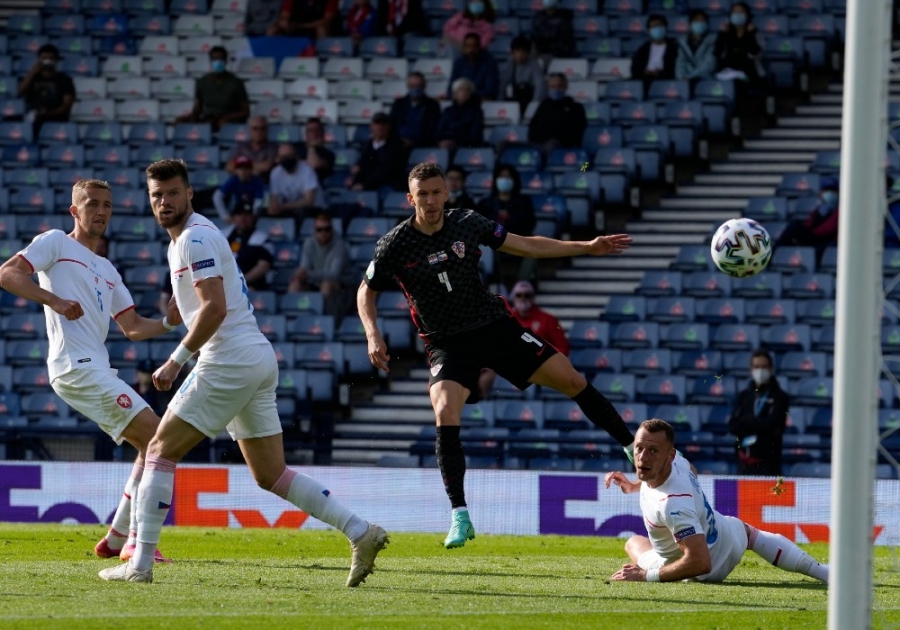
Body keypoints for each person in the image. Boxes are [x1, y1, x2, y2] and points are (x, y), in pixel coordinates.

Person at [98, 159, 388, 585]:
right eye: (156, 195)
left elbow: (214, 308)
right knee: (270, 473)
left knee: (159, 449)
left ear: (190, 193)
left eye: (172, 193)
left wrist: (175, 360)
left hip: (228, 358)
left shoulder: (194, 238)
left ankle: (139, 566)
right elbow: (211, 302)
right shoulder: (193, 237)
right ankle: (361, 532)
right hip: (254, 356)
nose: (164, 202)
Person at [357, 162, 636, 549]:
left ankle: (630, 448)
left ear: (446, 194)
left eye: (437, 192)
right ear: (411, 198)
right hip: (446, 343)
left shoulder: (468, 223)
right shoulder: (395, 244)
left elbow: (526, 244)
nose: (431, 200)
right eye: (423, 194)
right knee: (443, 407)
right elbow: (365, 290)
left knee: (571, 379)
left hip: (494, 327)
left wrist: (586, 247)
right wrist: (373, 334)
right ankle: (460, 516)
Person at [0, 179, 177, 564]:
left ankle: (116, 537)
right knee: (157, 434)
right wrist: (55, 301)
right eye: (92, 204)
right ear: (75, 211)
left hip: (97, 368)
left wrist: (168, 322)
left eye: (107, 206)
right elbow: (8, 273)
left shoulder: (107, 268)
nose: (101, 212)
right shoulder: (55, 243)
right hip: (74, 367)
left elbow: (132, 327)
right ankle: (134, 541)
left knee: (152, 443)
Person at [604, 419, 828, 584]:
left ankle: (665, 569)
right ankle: (823, 572)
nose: (642, 457)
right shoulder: (679, 462)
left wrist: (645, 576)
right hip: (727, 536)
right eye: (639, 448)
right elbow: (691, 470)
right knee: (748, 532)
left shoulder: (672, 504)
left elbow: (700, 562)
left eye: (653, 451)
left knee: (634, 544)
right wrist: (635, 485)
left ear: (669, 455)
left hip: (701, 571)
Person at [478, 280, 570, 399]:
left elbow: (563, 348)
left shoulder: (548, 320)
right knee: (483, 375)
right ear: (513, 298)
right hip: (510, 362)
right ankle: (483, 410)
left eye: (527, 295)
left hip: (539, 362)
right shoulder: (505, 319)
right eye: (519, 295)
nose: (523, 298)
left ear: (533, 298)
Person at [727, 349, 789, 476]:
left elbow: (773, 425)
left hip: (769, 466)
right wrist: (758, 424)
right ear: (751, 369)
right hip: (744, 464)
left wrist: (747, 421)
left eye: (764, 367)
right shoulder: (743, 396)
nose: (760, 371)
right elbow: (733, 426)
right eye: (756, 367)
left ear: (771, 369)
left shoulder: (780, 397)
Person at [288, 212, 354, 316]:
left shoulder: (339, 245)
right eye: (319, 229)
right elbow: (304, 267)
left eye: (326, 229)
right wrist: (301, 274)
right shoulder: (309, 243)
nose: (323, 232)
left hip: (340, 286)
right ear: (315, 231)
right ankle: (293, 317)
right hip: (315, 282)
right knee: (295, 283)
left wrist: (308, 274)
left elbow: (334, 274)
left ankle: (321, 318)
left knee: (326, 285)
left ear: (331, 229)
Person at [176, 46, 249, 132]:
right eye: (214, 59)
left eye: (220, 59)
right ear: (210, 61)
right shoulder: (202, 82)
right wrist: (187, 119)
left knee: (222, 124)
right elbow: (197, 109)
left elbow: (245, 111)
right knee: (179, 122)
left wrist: (226, 118)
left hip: (228, 119)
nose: (217, 62)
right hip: (208, 118)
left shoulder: (236, 83)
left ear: (225, 61)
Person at [774, 176, 839, 263]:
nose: (829, 193)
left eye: (833, 190)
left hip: (825, 242)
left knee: (796, 226)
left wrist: (810, 232)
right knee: (795, 226)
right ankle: (775, 253)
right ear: (821, 193)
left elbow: (829, 229)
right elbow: (808, 224)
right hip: (813, 239)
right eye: (826, 190)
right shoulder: (818, 210)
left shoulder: (839, 212)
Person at [17, 44, 75, 135]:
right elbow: (20, 91)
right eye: (44, 58)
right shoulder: (33, 77)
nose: (48, 61)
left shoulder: (65, 79)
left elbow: (67, 105)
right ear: (39, 60)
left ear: (56, 60)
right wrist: (32, 72)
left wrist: (49, 113)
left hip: (54, 117)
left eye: (51, 58)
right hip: (33, 115)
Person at [527, 73, 587, 153]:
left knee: (549, 146)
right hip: (538, 144)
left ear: (566, 87)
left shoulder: (575, 107)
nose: (556, 89)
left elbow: (578, 132)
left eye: (559, 86)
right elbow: (533, 127)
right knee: (506, 145)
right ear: (548, 88)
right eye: (552, 87)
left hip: (562, 146)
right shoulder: (543, 106)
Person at [350, 113, 407, 193]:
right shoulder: (367, 145)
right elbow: (362, 164)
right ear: (371, 126)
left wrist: (364, 185)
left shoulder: (395, 147)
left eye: (383, 124)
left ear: (388, 127)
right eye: (377, 124)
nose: (380, 127)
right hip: (368, 184)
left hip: (387, 185)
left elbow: (385, 170)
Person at [222, 204, 274, 291]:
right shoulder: (223, 235)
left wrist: (240, 281)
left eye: (247, 215)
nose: (243, 218)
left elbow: (263, 266)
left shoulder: (262, 239)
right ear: (234, 217)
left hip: (249, 285)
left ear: (253, 217)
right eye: (239, 215)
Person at [268, 143, 327, 217]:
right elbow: (274, 199)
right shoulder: (275, 173)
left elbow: (309, 201)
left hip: (314, 210)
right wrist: (274, 208)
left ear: (296, 156)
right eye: (283, 157)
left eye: (289, 156)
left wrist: (283, 207)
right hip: (289, 210)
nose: (286, 160)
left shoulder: (307, 170)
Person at [389, 72, 442, 150]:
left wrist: (414, 142)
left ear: (424, 86)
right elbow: (392, 124)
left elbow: (434, 130)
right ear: (408, 86)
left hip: (423, 145)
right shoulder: (399, 104)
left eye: (419, 86)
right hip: (398, 145)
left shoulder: (432, 106)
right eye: (413, 86)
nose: (416, 89)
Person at [714, 2, 762, 85]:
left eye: (741, 12)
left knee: (742, 83)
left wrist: (751, 34)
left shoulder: (754, 33)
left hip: (748, 74)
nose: (738, 14)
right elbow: (717, 53)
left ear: (747, 15)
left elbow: (755, 53)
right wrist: (722, 34)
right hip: (728, 73)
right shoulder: (726, 33)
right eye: (735, 12)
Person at [498, 35, 547, 114]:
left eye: (523, 51)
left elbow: (540, 86)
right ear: (512, 52)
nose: (520, 55)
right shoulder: (509, 64)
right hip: (515, 99)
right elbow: (502, 84)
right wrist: (499, 103)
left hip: (529, 99)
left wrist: (533, 106)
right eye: (517, 51)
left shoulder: (535, 65)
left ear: (528, 53)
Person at [631, 14, 679, 91]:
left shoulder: (674, 47)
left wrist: (660, 73)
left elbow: (677, 68)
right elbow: (635, 69)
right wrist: (646, 72)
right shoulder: (643, 49)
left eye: (659, 25)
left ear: (665, 27)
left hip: (666, 81)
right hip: (646, 80)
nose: (657, 29)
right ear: (649, 31)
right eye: (653, 27)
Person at [435, 78, 485, 151]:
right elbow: (439, 132)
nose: (464, 93)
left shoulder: (476, 112)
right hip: (445, 144)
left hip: (466, 147)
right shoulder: (448, 111)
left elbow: (475, 136)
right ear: (455, 94)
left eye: (467, 90)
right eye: (461, 90)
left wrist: (455, 142)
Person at [213, 156, 267, 223]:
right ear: (236, 170)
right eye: (240, 168)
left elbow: (258, 202)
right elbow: (217, 196)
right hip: (238, 209)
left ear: (251, 170)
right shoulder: (233, 180)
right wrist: (225, 216)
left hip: (254, 211)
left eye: (246, 168)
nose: (243, 171)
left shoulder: (256, 182)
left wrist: (254, 216)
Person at [447, 33, 500, 101]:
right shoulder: (458, 63)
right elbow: (451, 87)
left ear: (479, 47)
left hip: (481, 101)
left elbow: (491, 89)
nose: (471, 49)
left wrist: (469, 96)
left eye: (475, 46)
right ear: (464, 48)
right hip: (462, 101)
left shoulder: (490, 63)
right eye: (468, 46)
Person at [226, 116, 278, 182]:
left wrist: (242, 167)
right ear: (249, 130)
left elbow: (266, 166)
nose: (259, 132)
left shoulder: (272, 148)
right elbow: (229, 166)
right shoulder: (241, 146)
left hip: (262, 184)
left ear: (267, 130)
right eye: (255, 129)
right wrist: (255, 168)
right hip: (241, 184)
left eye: (262, 128)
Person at [675, 10, 718, 83]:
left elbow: (709, 64)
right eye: (696, 20)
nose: (699, 23)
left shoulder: (714, 40)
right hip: (685, 80)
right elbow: (680, 62)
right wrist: (681, 77)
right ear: (690, 24)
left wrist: (691, 77)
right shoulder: (682, 42)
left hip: (706, 80)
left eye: (702, 21)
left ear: (707, 24)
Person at [267, 0, 338, 38]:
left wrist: (301, 26)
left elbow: (327, 20)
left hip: (314, 27)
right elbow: (285, 15)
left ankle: (320, 59)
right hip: (295, 27)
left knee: (322, 30)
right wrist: (285, 22)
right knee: (272, 30)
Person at [296, 117, 336, 185]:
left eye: (317, 130)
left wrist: (311, 147)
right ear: (306, 133)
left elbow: (312, 165)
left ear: (322, 133)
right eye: (310, 130)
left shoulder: (328, 154)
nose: (314, 133)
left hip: (315, 188)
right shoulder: (296, 148)